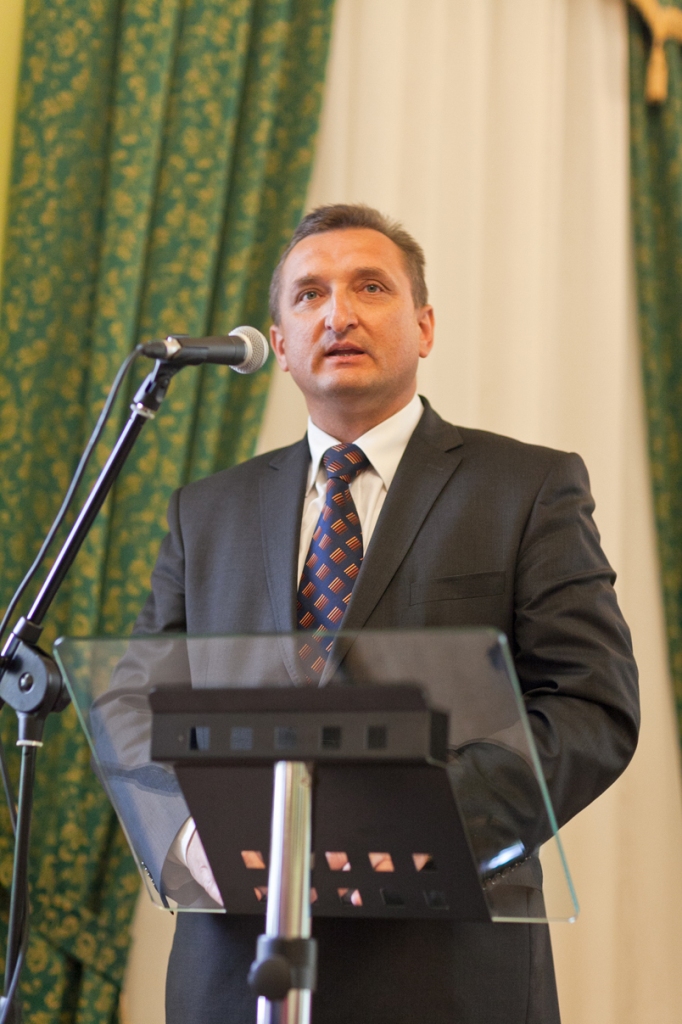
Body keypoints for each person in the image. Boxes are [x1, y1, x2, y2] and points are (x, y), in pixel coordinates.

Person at [132, 204, 639, 1024]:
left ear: (424, 326)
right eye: (310, 295)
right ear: (281, 345)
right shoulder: (206, 511)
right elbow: (134, 703)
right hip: (235, 965)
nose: (339, 313)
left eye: (370, 287)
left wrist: (416, 823)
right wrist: (191, 837)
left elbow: (590, 705)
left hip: (445, 967)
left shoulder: (528, 488)